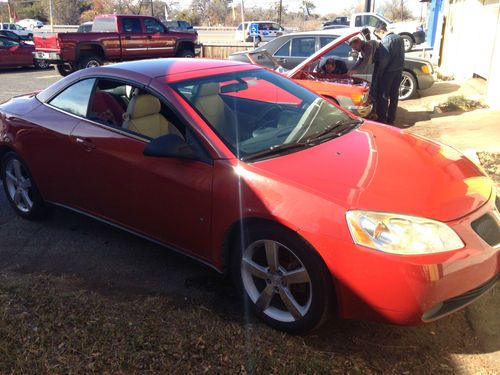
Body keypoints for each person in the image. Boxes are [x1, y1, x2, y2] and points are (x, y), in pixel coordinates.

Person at [371, 22, 405, 125]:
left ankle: (382, 118)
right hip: (398, 71)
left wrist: (379, 74)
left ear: (381, 31)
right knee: (394, 95)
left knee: (384, 96)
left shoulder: (386, 41)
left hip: (388, 73)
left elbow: (383, 61)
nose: (379, 37)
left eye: (378, 35)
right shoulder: (399, 38)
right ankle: (391, 118)